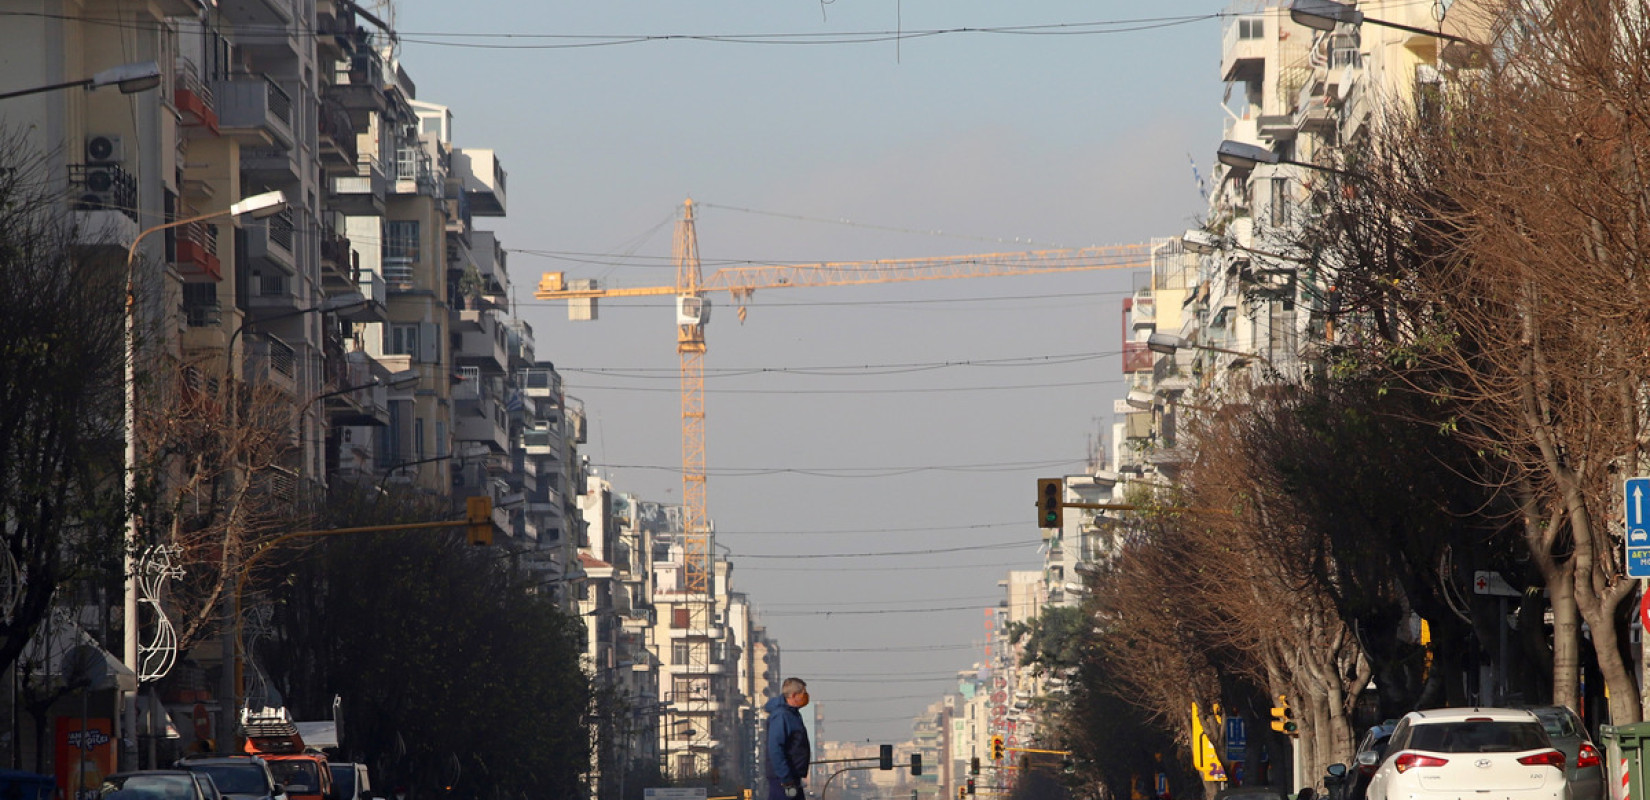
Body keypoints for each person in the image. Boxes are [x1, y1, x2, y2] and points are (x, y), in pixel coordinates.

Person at [765, 678, 811, 800]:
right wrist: (786, 778)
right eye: (804, 693)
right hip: (783, 779)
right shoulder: (782, 715)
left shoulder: (792, 714)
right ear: (794, 695)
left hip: (792, 777)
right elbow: (775, 748)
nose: (806, 696)